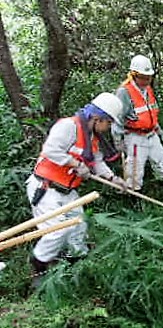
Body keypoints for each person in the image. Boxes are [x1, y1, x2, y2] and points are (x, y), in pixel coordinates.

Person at [27, 93, 128, 287]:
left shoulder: (93, 137)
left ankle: (77, 265)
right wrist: (74, 163)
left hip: (67, 190)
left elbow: (97, 161)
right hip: (46, 187)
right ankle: (38, 269)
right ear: (97, 118)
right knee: (56, 231)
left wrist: (113, 179)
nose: (108, 128)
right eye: (108, 123)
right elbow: (50, 150)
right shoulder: (69, 126)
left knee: (79, 225)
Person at [113, 54, 163, 191]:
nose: (147, 80)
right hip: (134, 136)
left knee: (162, 161)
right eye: (144, 77)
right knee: (135, 169)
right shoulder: (124, 92)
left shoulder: (147, 89)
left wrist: (158, 129)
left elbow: (151, 111)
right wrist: (118, 140)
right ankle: (133, 195)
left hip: (151, 133)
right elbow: (117, 118)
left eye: (148, 77)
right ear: (134, 75)